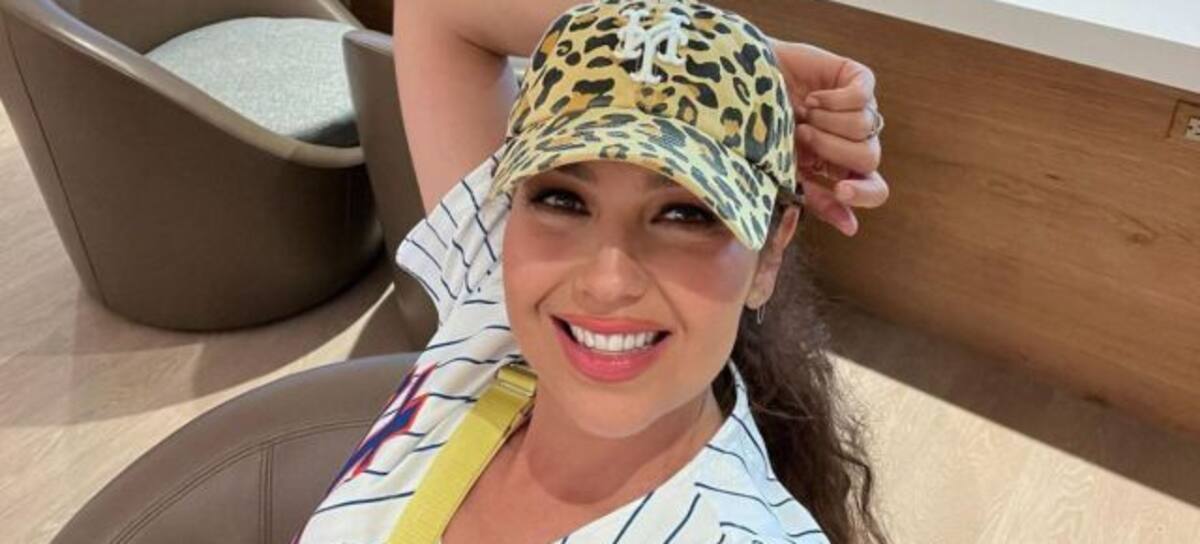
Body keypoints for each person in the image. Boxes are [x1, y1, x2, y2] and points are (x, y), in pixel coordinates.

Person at [295, 0, 890, 542]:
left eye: (686, 214)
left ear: (769, 255)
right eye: (562, 199)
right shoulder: (494, 297)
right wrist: (715, 50)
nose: (607, 283)